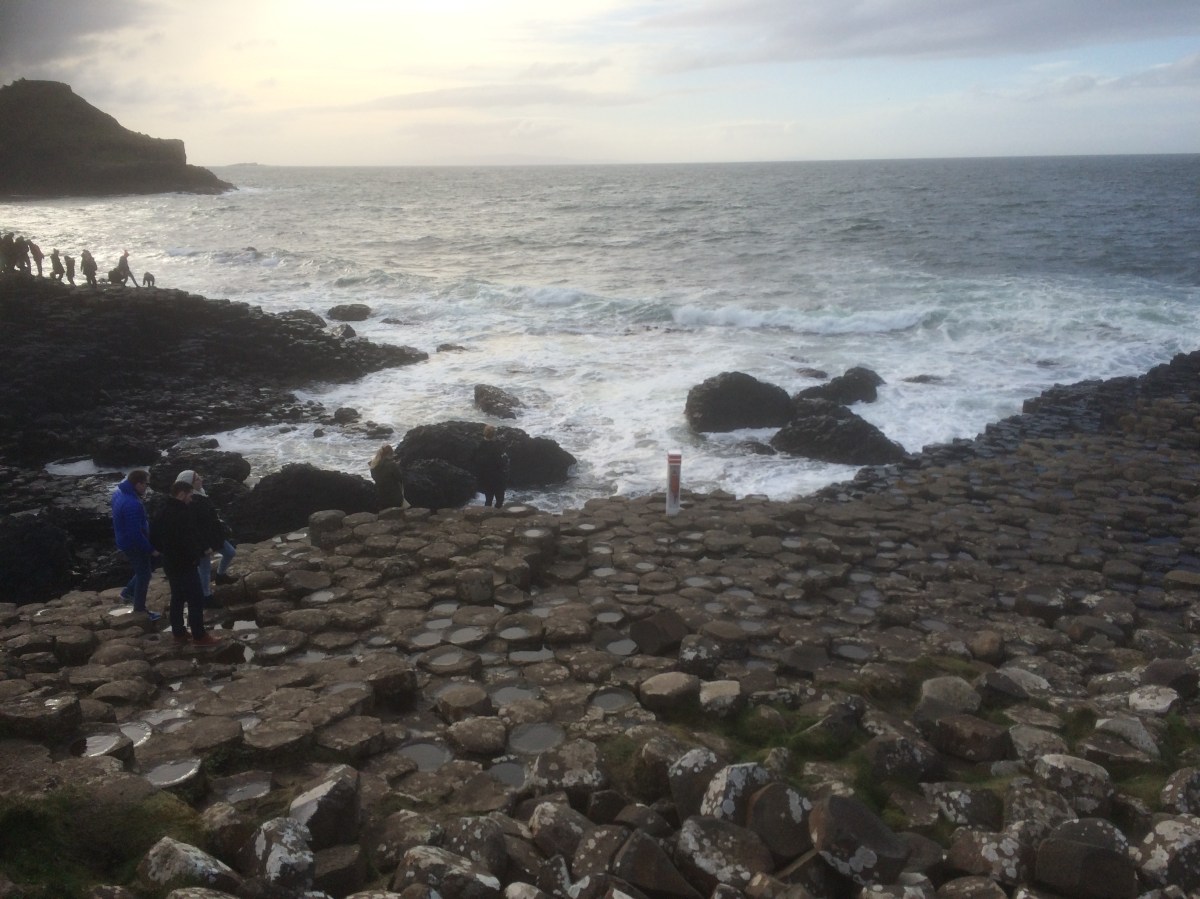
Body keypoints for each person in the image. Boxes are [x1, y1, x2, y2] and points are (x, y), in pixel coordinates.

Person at [150, 479, 219, 645]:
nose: (191, 499)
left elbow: (153, 537)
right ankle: (200, 636)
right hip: (185, 562)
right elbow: (188, 538)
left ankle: (179, 633)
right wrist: (197, 554)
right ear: (181, 494)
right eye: (189, 495)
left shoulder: (161, 511)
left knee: (178, 597)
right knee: (196, 599)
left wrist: (164, 550)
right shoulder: (181, 513)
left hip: (169, 561)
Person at [177, 469, 236, 603]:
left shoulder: (201, 493)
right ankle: (205, 596)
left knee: (230, 552)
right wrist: (204, 546)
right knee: (204, 567)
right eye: (197, 479)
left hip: (213, 534)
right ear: (189, 484)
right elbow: (195, 526)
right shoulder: (191, 501)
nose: (201, 480)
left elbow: (210, 517)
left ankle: (220, 576)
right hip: (202, 539)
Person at [110, 469, 161, 622]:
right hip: (133, 544)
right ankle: (139, 609)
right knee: (144, 574)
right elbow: (135, 534)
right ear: (138, 484)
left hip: (123, 540)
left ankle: (127, 593)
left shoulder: (119, 493)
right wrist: (151, 549)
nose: (147, 487)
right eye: (146, 484)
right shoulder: (132, 503)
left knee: (142, 571)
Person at [472, 425, 509, 508]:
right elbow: (501, 462)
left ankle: (487, 513)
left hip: (485, 478)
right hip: (497, 478)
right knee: (500, 500)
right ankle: (498, 514)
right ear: (494, 434)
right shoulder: (497, 447)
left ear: (484, 433)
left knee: (488, 500)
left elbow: (475, 461)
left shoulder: (479, 446)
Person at [368, 444, 405, 509]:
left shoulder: (373, 465)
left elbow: (376, 478)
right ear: (390, 454)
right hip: (394, 498)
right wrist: (397, 466)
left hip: (381, 498)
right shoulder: (392, 465)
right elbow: (400, 478)